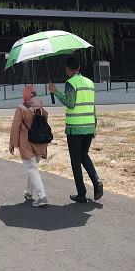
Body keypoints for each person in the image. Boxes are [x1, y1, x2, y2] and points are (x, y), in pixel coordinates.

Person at [49, 56, 103, 203]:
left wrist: (56, 92)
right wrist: (94, 125)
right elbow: (92, 105)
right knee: (84, 155)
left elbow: (70, 103)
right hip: (89, 125)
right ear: (79, 67)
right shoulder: (89, 82)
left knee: (76, 160)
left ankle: (81, 193)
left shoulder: (70, 83)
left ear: (67, 69)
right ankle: (96, 181)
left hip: (75, 128)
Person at [9, 86, 49, 207]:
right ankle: (29, 192)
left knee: (31, 169)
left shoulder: (21, 108)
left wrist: (12, 144)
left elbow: (15, 126)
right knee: (33, 168)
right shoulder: (40, 107)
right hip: (39, 142)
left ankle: (42, 196)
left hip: (26, 142)